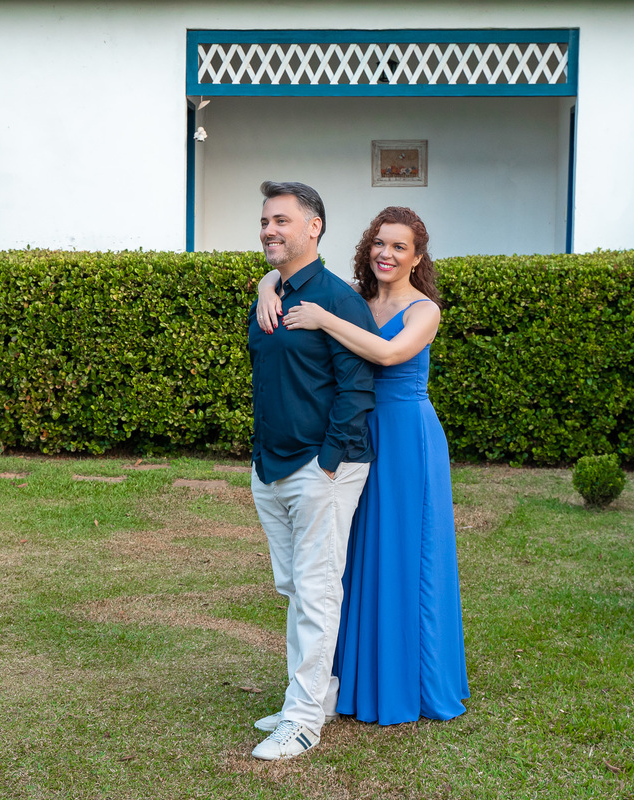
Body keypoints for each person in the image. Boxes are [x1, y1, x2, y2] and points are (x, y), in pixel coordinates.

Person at [255, 206, 470, 725]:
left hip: (404, 436)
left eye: (399, 247)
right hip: (357, 433)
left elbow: (391, 355)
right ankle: (346, 683)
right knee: (349, 557)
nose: (386, 254)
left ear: (418, 258)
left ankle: (405, 682)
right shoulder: (358, 299)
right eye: (379, 243)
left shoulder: (424, 310)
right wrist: (267, 285)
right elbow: (284, 271)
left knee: (401, 554)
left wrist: (323, 318)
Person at [246, 181, 379, 760]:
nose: (269, 230)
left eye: (281, 220)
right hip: (270, 465)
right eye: (265, 221)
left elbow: (356, 390)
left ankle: (302, 721)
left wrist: (328, 463)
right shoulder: (272, 291)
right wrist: (265, 285)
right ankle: (315, 694)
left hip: (321, 470)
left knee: (318, 590)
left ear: (313, 227)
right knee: (295, 586)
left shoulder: (338, 301)